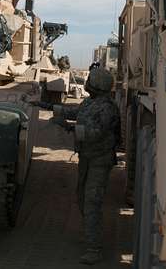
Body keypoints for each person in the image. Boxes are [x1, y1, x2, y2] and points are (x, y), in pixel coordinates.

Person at [52, 67, 120, 265]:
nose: (87, 82)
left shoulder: (108, 107)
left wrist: (68, 127)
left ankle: (94, 248)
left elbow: (94, 133)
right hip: (87, 158)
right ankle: (92, 234)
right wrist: (48, 106)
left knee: (92, 201)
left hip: (100, 160)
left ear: (97, 85)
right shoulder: (90, 102)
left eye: (91, 80)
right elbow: (75, 111)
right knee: (82, 198)